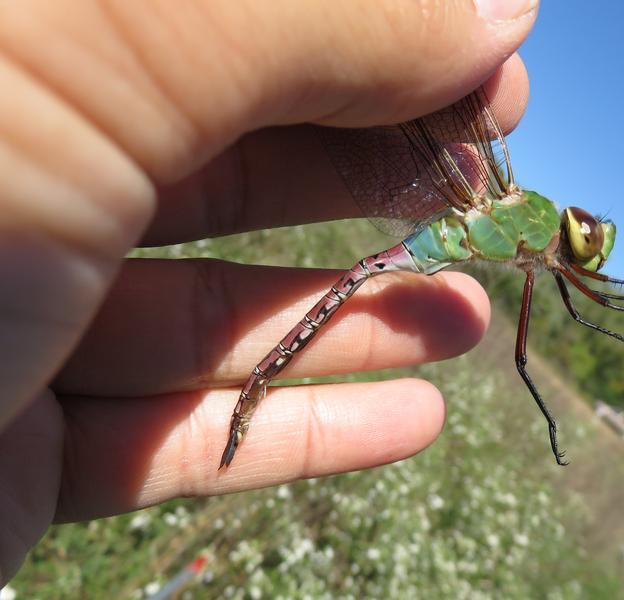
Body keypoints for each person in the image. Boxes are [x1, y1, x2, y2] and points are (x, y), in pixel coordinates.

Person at [0, 0, 536, 582]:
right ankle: (256, 384)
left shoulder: (537, 245)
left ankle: (257, 385)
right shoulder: (515, 213)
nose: (587, 247)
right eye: (587, 237)